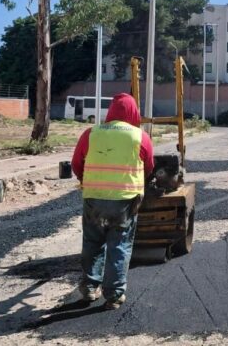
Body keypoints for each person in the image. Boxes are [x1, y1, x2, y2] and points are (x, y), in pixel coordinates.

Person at [71, 93, 154, 310]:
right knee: (120, 245)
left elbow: (77, 164)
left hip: (94, 199)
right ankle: (114, 295)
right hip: (125, 201)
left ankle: (90, 288)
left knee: (92, 242)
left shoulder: (91, 133)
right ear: (134, 112)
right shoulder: (140, 136)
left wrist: (86, 180)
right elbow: (149, 167)